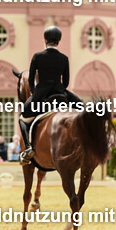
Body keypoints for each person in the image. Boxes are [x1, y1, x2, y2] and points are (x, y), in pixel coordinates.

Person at [19, 25, 80, 164]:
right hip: (60, 92)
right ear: (59, 40)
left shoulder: (38, 56)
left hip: (41, 93)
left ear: (45, 40)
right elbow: (66, 81)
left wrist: (35, 94)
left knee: (23, 119)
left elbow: (30, 79)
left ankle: (28, 148)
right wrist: (60, 90)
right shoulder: (64, 58)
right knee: (82, 109)